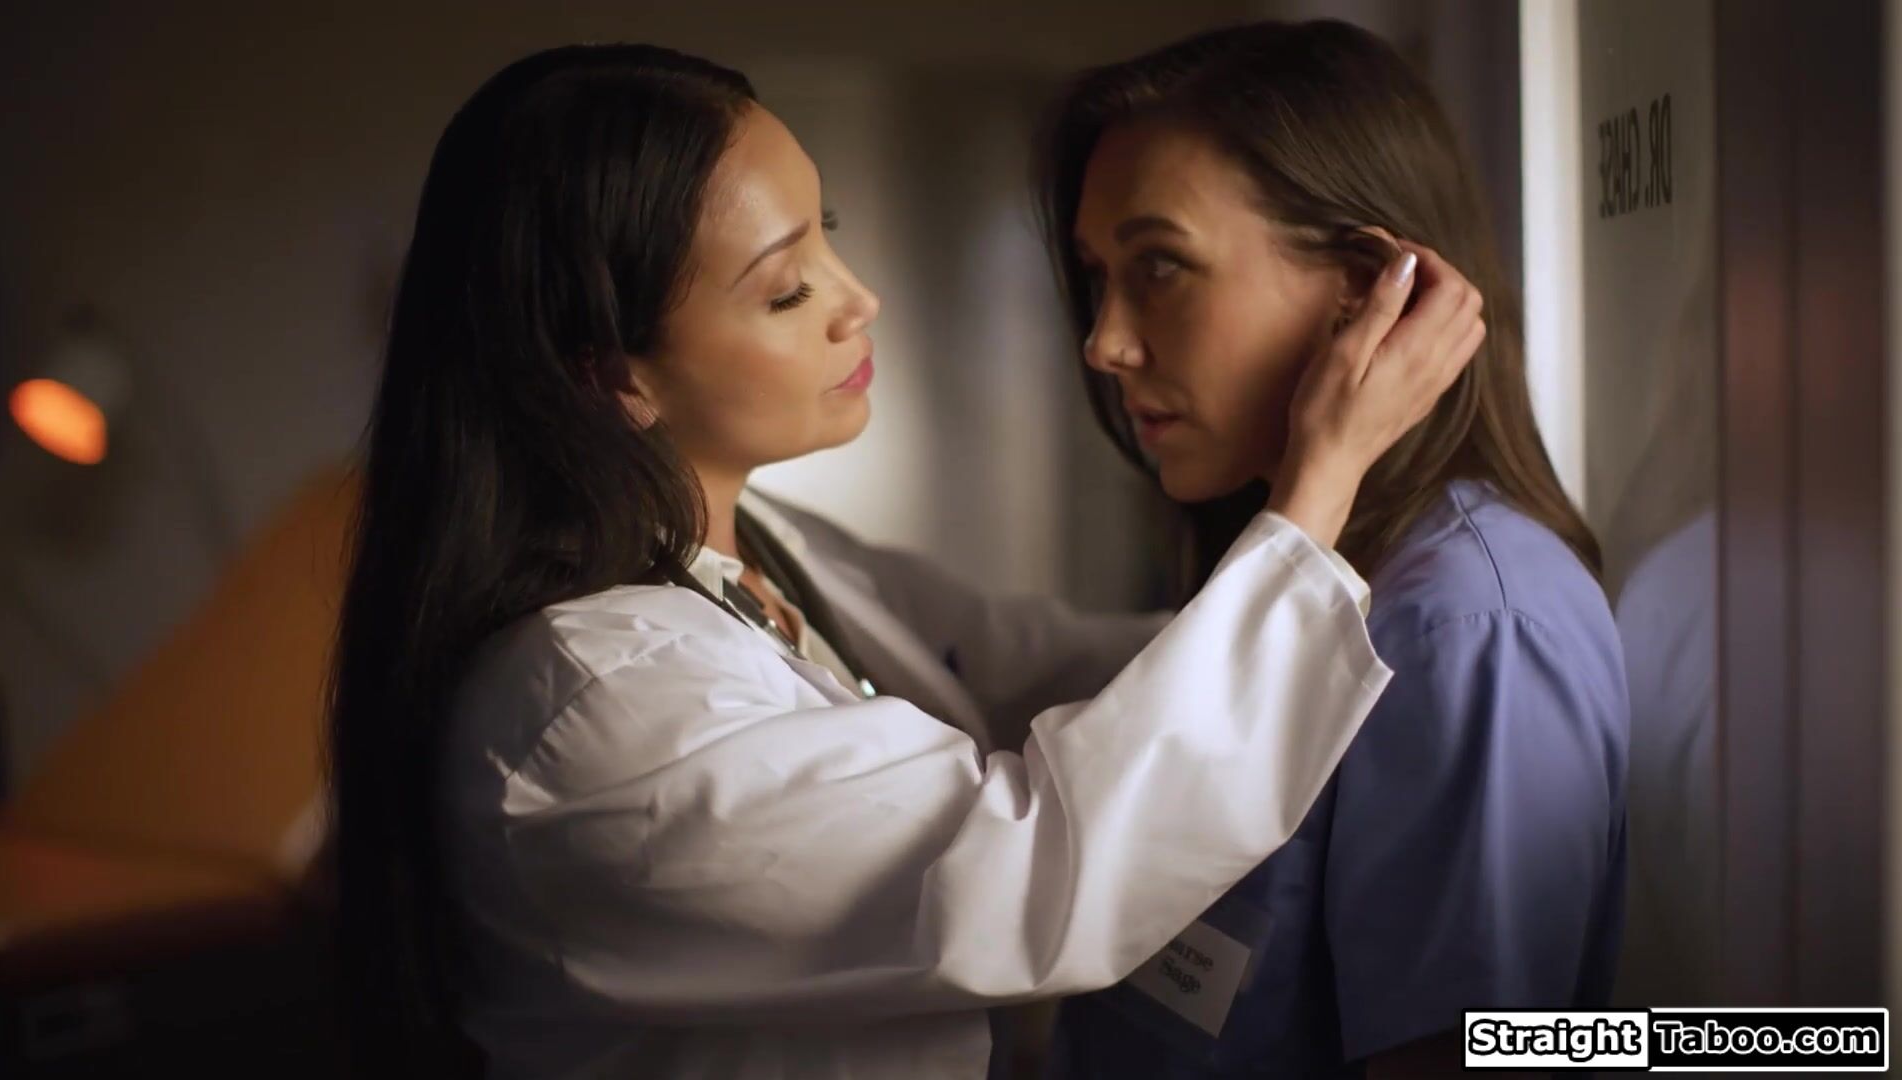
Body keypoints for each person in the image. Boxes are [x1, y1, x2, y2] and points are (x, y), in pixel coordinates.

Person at [326, 43, 1482, 1080]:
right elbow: (1041, 867)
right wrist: (1317, 488)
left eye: (826, 237)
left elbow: (1036, 660)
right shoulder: (595, 714)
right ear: (611, 375)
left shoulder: (763, 554)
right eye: (786, 288)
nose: (858, 300)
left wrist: (1389, 615)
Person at [1037, 20, 1628, 1079]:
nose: (1105, 343)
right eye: (1098, 275)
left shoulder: (1467, 624)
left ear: (1366, 285)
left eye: (1160, 266)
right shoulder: (1294, 571)